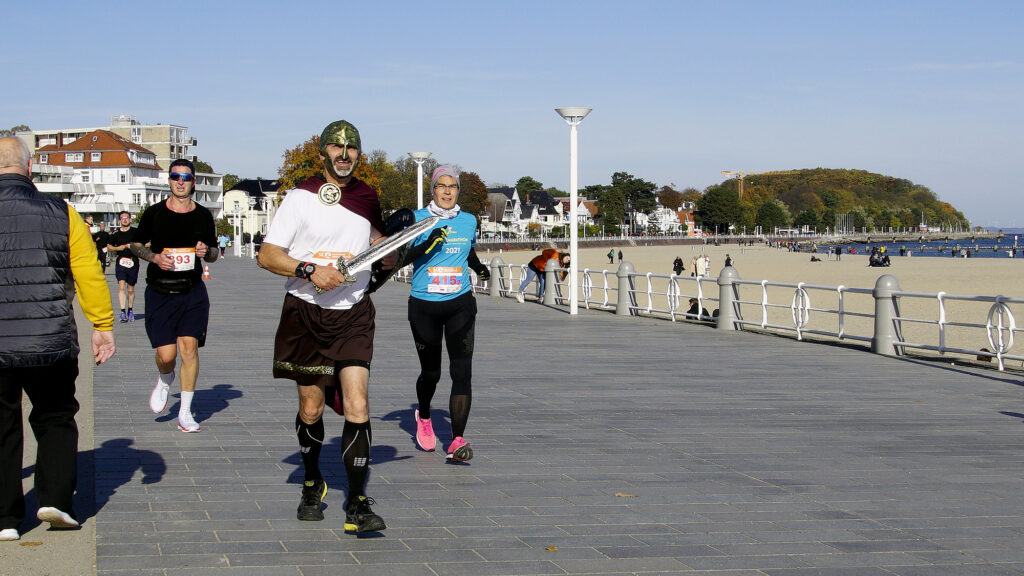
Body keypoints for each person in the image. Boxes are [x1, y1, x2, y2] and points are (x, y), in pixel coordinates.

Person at [257, 120, 391, 532]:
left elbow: (379, 249)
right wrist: (309, 269)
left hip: (353, 313)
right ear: (322, 154)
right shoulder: (300, 197)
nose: (344, 154)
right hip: (305, 313)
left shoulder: (368, 198)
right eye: (336, 147)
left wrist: (394, 254)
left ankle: (357, 505)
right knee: (311, 408)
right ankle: (312, 480)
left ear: (359, 155)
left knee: (358, 404)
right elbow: (267, 255)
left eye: (352, 148)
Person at [0, 137, 116, 541]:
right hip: (49, 338)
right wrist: (102, 324)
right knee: (55, 417)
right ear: (29, 170)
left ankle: (6, 519)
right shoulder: (61, 212)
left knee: (2, 425)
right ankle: (55, 500)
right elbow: (88, 273)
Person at [406, 166, 490, 463]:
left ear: (457, 191)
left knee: (462, 372)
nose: (446, 191)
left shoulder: (468, 221)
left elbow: (467, 251)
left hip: (460, 303)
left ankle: (456, 440)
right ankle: (425, 415)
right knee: (432, 372)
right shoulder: (418, 219)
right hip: (424, 305)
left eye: (452, 186)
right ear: (433, 190)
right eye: (441, 186)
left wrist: (479, 267)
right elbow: (401, 257)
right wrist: (427, 244)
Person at [130, 159, 219, 434]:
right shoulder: (154, 213)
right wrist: (155, 257)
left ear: (194, 182)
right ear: (169, 180)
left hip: (192, 292)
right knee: (167, 355)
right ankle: (165, 377)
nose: (180, 181)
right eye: (175, 176)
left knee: (189, 350)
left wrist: (207, 252)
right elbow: (134, 245)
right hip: (160, 292)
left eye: (186, 177)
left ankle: (185, 412)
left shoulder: (203, 215)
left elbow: (214, 253)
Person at [107, 211, 139, 322]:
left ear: (130, 219)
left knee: (130, 289)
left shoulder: (136, 232)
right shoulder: (115, 233)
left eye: (127, 217)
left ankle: (130, 310)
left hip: (133, 261)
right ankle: (122, 312)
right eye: (122, 218)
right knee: (121, 286)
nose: (125, 220)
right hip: (121, 262)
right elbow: (109, 247)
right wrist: (118, 248)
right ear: (119, 220)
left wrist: (134, 246)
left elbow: (146, 243)